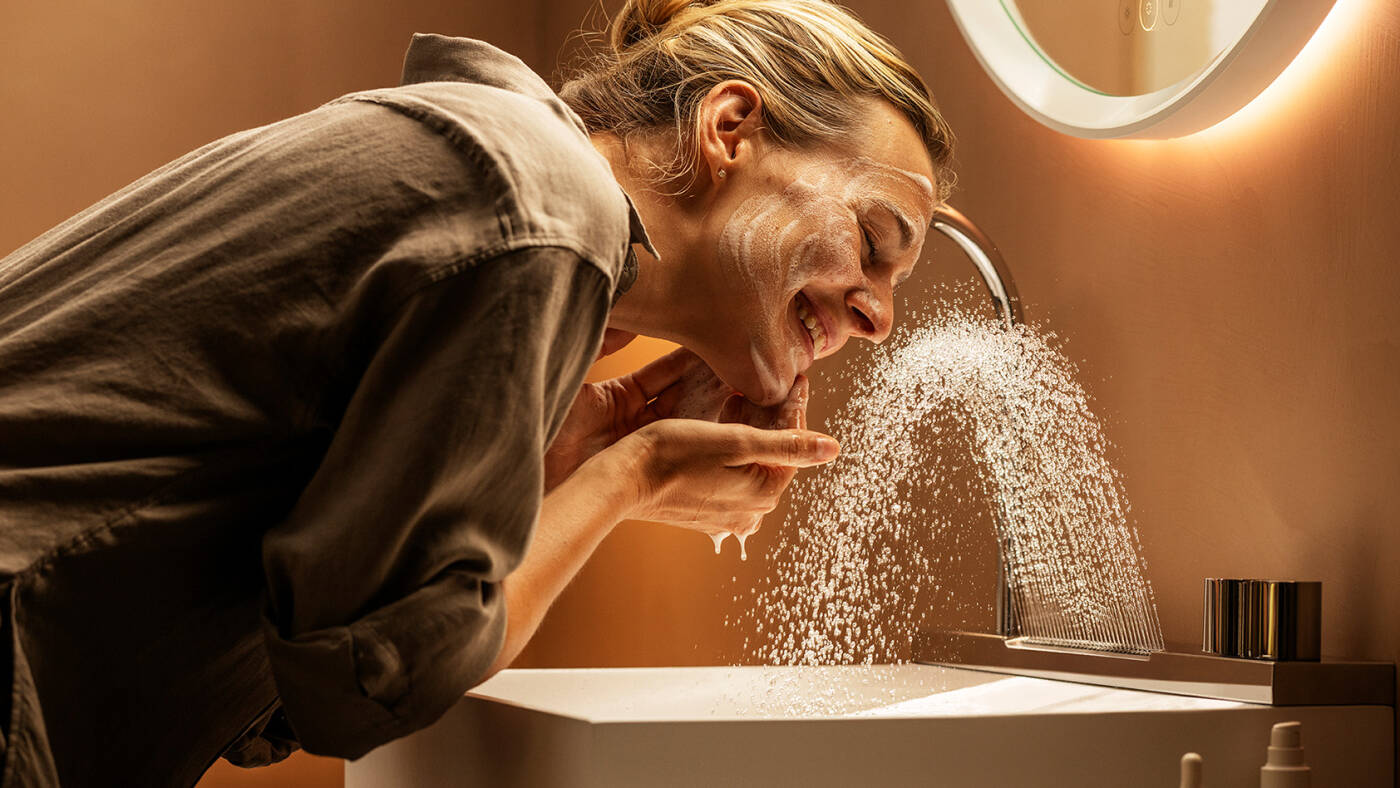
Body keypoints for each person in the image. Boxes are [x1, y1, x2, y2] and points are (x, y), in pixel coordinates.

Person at [0, 0, 953, 784]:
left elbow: (305, 626)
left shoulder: (505, 167)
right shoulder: (548, 214)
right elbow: (364, 680)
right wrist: (633, 476)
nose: (879, 318)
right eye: (874, 242)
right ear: (729, 129)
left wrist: (560, 465)